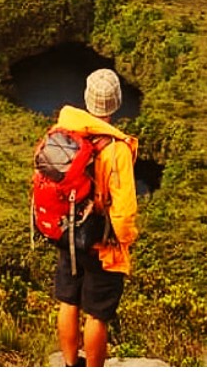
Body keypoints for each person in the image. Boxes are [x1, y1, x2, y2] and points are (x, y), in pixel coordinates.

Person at [54, 68, 138, 368]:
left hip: (67, 231)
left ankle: (67, 365)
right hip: (101, 242)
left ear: (87, 99)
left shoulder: (66, 130)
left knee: (69, 300)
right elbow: (125, 208)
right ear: (115, 103)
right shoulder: (117, 149)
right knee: (97, 314)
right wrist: (125, 241)